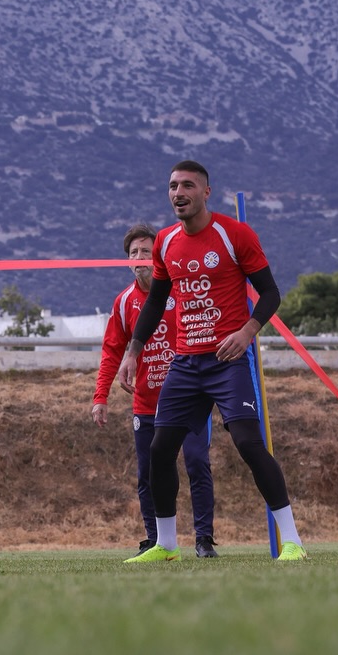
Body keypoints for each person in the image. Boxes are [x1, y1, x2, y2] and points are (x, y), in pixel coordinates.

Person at [118, 160, 307, 563]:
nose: (178, 193)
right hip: (186, 364)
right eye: (172, 186)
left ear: (206, 192)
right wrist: (132, 351)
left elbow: (271, 293)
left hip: (227, 362)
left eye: (187, 185)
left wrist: (246, 332)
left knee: (248, 445)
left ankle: (293, 541)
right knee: (160, 449)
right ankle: (166, 546)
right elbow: (155, 302)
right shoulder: (166, 242)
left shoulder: (233, 234)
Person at [93, 223, 217, 559]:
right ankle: (156, 539)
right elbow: (111, 351)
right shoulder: (123, 303)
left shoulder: (179, 291)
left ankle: (204, 539)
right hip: (146, 404)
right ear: (128, 261)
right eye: (134, 253)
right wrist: (100, 396)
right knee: (149, 473)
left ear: (158, 256)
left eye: (146, 251)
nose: (140, 258)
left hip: (188, 399)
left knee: (195, 462)